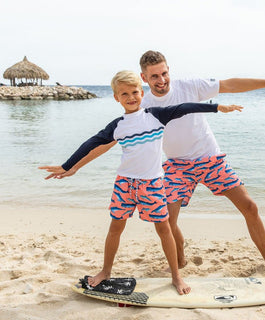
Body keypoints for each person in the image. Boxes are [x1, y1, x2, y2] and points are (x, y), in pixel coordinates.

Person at [39, 70, 243, 295]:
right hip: (125, 184)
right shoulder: (117, 126)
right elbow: (92, 143)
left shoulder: (155, 115)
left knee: (164, 229)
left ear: (142, 93)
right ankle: (105, 271)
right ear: (117, 97)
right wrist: (69, 166)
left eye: (135, 92)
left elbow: (184, 108)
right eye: (124, 94)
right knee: (115, 227)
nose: (130, 97)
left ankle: (176, 276)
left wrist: (216, 107)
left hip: (152, 184)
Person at [139, 50, 265, 277]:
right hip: (177, 166)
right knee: (167, 220)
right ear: (144, 78)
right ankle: (179, 261)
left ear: (169, 70)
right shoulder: (144, 104)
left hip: (210, 159)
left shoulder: (189, 86)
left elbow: (230, 85)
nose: (162, 80)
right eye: (155, 77)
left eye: (164, 73)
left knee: (250, 207)